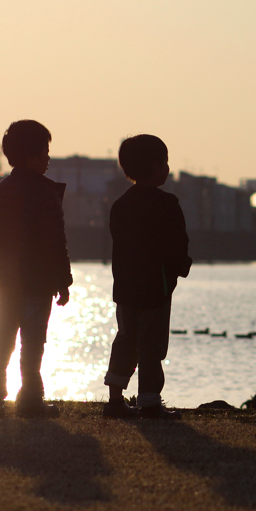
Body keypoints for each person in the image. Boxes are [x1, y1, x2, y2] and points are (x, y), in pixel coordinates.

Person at [0, 120, 72, 418]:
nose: (48, 158)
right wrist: (63, 280)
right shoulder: (46, 194)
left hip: (5, 283)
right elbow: (54, 241)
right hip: (36, 282)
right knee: (32, 344)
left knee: (1, 340)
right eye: (44, 152)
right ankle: (31, 398)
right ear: (31, 156)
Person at [103, 134, 192, 420]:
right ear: (155, 167)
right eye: (164, 162)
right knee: (151, 346)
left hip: (126, 289)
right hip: (156, 288)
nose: (168, 168)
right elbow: (177, 244)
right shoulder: (167, 204)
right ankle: (150, 402)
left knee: (126, 340)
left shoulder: (120, 205)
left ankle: (115, 399)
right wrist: (181, 267)